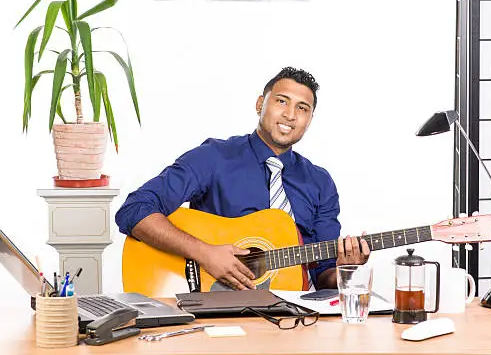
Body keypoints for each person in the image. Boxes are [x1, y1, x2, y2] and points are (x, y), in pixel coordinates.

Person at [115, 67, 370, 291]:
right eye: (281, 101)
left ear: (310, 120)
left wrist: (345, 269)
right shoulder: (214, 158)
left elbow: (323, 275)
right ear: (260, 104)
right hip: (219, 310)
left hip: (296, 317)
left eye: (302, 108)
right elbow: (134, 210)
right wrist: (204, 253)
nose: (291, 115)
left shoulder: (320, 182)